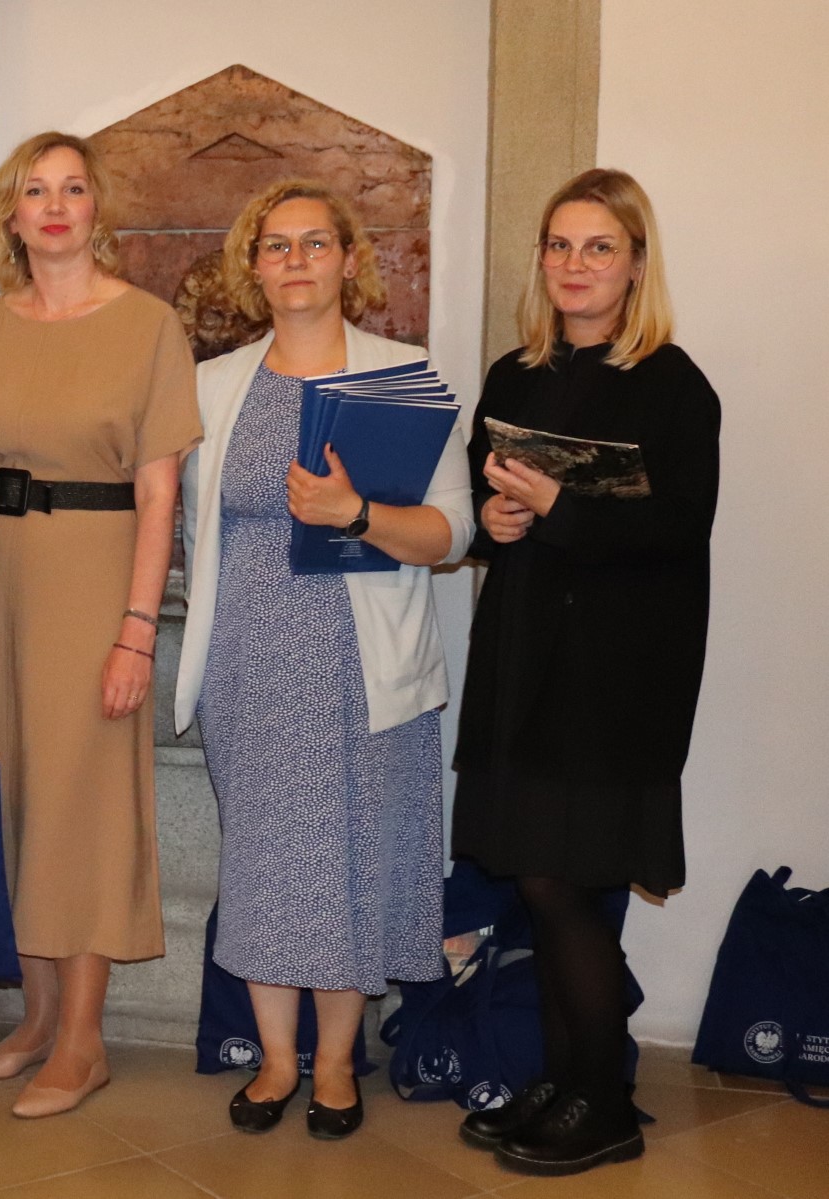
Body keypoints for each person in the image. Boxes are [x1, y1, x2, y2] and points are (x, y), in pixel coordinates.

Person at [172, 179, 474, 1139]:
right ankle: (274, 1060)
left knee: (354, 860)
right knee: (264, 863)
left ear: (349, 259)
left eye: (314, 242)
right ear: (252, 267)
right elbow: (192, 533)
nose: (295, 260)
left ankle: (337, 1063)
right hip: (249, 662)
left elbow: (453, 533)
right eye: (276, 245)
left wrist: (356, 513)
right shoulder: (213, 385)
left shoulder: (402, 374)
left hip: (362, 663)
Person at [449, 168, 718, 1176]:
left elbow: (675, 530)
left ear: (634, 263)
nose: (574, 264)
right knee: (536, 877)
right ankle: (564, 1083)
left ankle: (602, 1103)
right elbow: (486, 501)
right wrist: (495, 519)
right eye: (559, 245)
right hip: (523, 659)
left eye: (597, 247)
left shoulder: (672, 384)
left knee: (559, 882)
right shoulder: (514, 374)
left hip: (615, 678)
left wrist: (560, 509)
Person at [0, 132, 201, 1118]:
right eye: (34, 190)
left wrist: (136, 629)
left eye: (73, 189)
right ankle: (36, 1017)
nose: (54, 206)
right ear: (9, 215)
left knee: (79, 803)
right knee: (5, 792)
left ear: (97, 209)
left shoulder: (147, 326)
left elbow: (160, 491)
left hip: (93, 580)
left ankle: (84, 1041)